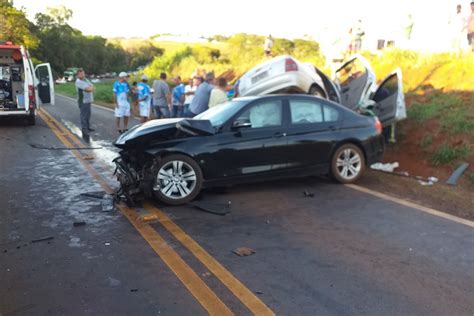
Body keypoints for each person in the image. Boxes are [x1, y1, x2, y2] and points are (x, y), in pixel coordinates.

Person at [75, 68, 95, 137]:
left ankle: (88, 127)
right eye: (80, 74)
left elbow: (93, 87)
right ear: (77, 75)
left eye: (83, 73)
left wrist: (90, 88)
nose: (82, 75)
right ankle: (84, 129)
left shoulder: (85, 80)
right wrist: (90, 88)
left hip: (88, 100)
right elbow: (89, 89)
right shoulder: (79, 82)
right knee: (83, 115)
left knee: (88, 115)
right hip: (83, 101)